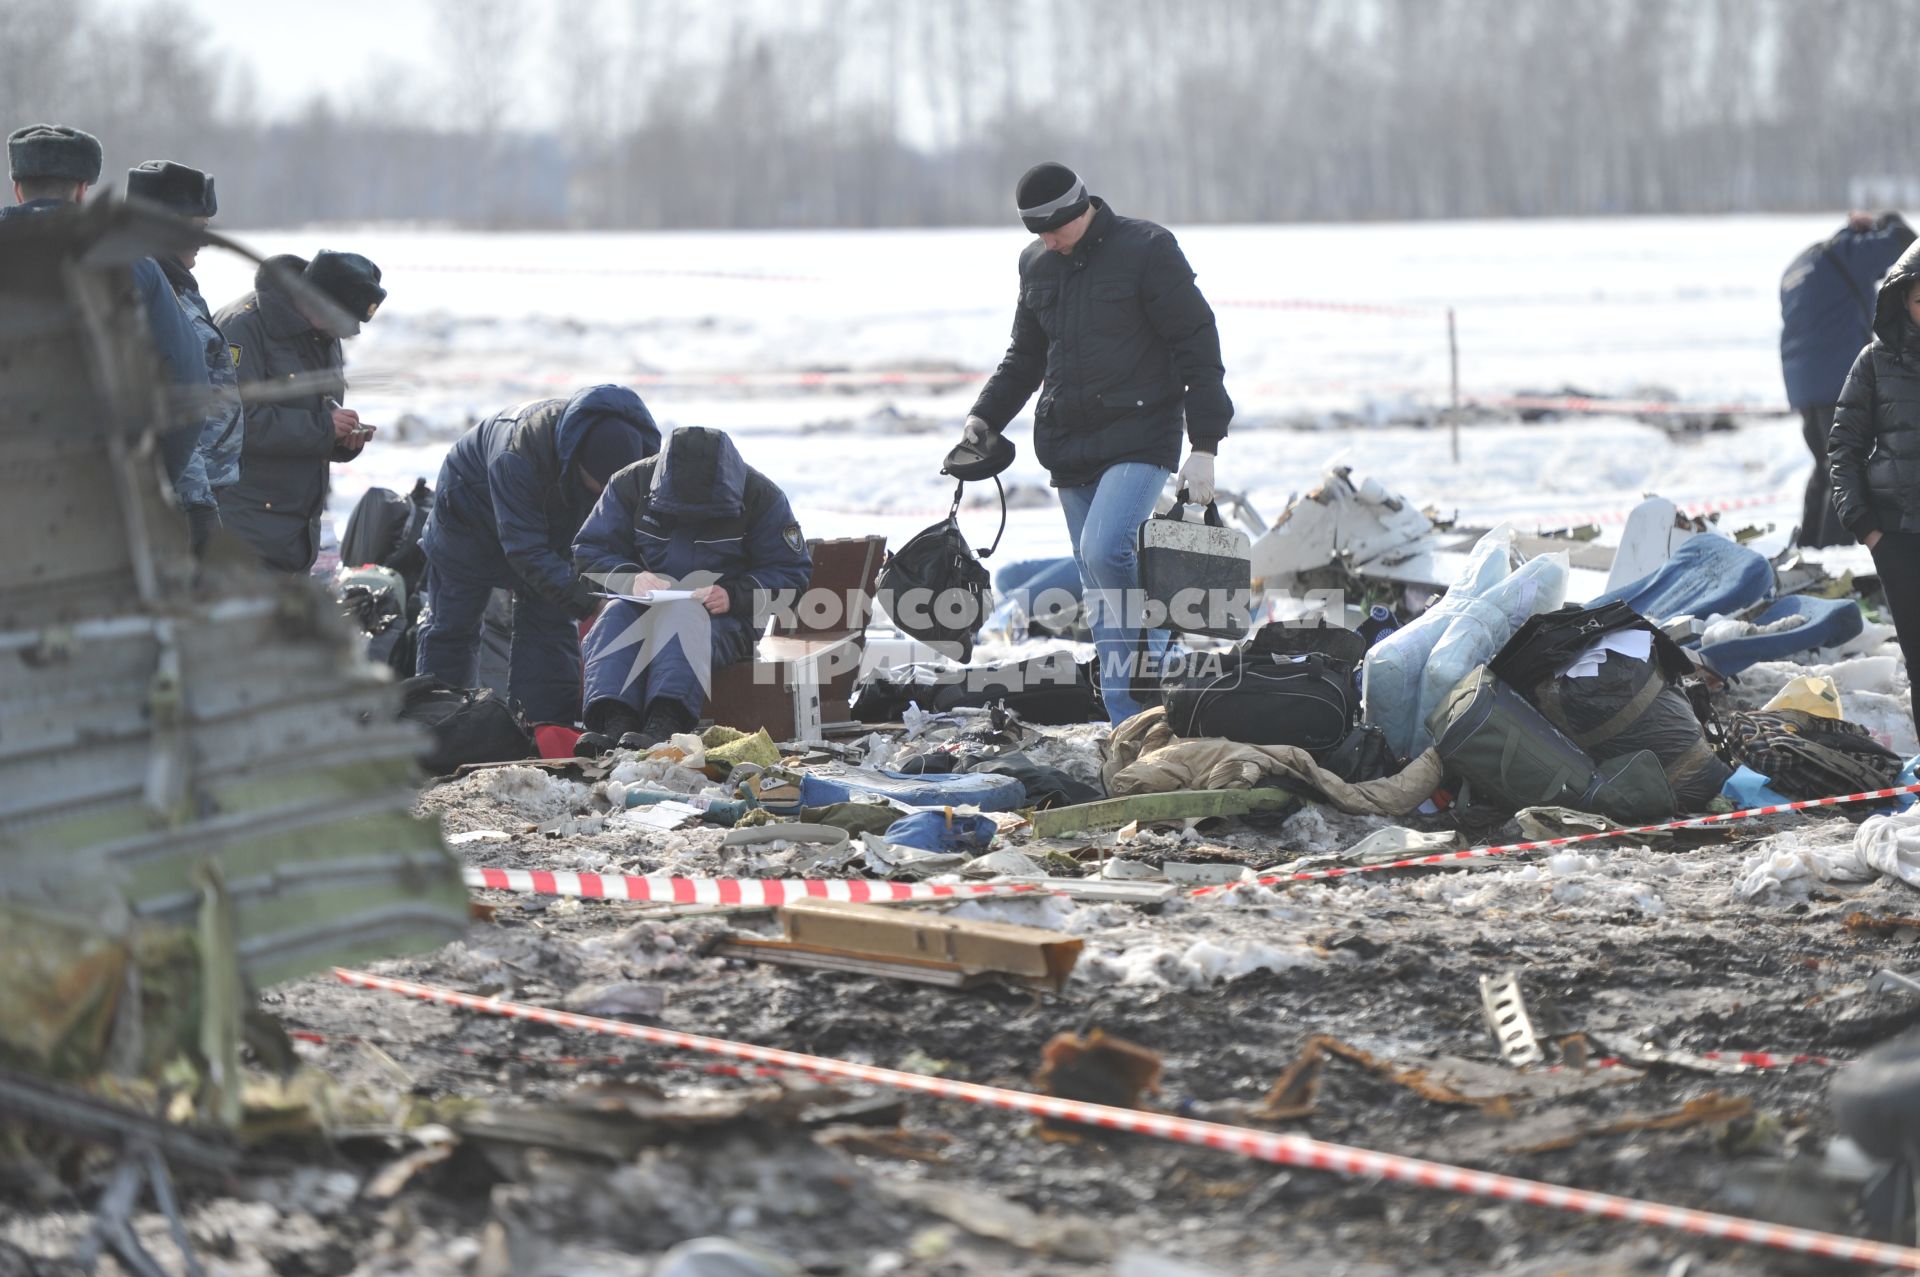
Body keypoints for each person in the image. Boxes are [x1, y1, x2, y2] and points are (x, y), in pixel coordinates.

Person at [960, 161, 1232, 726]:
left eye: (1053, 229)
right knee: (1097, 586)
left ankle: (1156, 658)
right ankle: (1127, 721)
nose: (1046, 241)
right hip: (1068, 439)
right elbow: (1026, 356)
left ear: (1078, 210)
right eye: (1035, 233)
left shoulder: (1148, 249)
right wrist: (986, 416)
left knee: (1107, 549)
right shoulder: (1037, 262)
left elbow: (1197, 343)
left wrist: (1204, 443)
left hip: (1142, 432)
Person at [415, 385, 661, 724]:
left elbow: (633, 529)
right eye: (599, 487)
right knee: (453, 627)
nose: (606, 496)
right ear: (576, 465)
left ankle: (541, 730)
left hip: (550, 518)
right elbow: (527, 552)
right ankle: (438, 729)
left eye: (613, 489)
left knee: (550, 622)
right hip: (467, 519)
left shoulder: (638, 462)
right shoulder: (518, 454)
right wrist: (592, 602)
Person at [574, 426, 812, 752]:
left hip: (725, 617)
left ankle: (665, 723)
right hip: (644, 604)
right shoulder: (631, 484)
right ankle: (614, 722)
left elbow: (792, 574)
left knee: (685, 618)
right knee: (616, 615)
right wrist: (630, 579)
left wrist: (734, 595)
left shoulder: (762, 497)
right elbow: (589, 551)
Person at [3, 124, 209, 496]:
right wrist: (150, 484)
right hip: (102, 501)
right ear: (83, 191)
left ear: (18, 189)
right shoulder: (133, 266)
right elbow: (189, 387)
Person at [216, 250, 385, 573]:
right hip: (244, 528)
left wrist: (341, 438)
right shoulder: (244, 328)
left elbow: (317, 410)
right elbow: (230, 422)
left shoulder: (322, 334)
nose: (346, 333)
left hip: (294, 532)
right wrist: (323, 428)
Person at [1830, 238, 1920, 739]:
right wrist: (1864, 525)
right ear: (1903, 300)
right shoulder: (1875, 362)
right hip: (1898, 534)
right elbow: (1843, 445)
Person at [1781, 211, 1915, 547]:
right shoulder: (1847, 252)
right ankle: (1832, 551)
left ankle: (1810, 545)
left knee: (1824, 464)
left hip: (1802, 384)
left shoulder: (1803, 264)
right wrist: (1889, 222)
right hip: (1834, 378)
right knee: (1846, 468)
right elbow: (1903, 244)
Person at [127, 160, 241, 554]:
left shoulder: (178, 284)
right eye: (193, 229)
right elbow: (173, 401)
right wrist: (196, 503)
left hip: (205, 488)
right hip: (180, 498)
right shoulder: (142, 289)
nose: (202, 241)